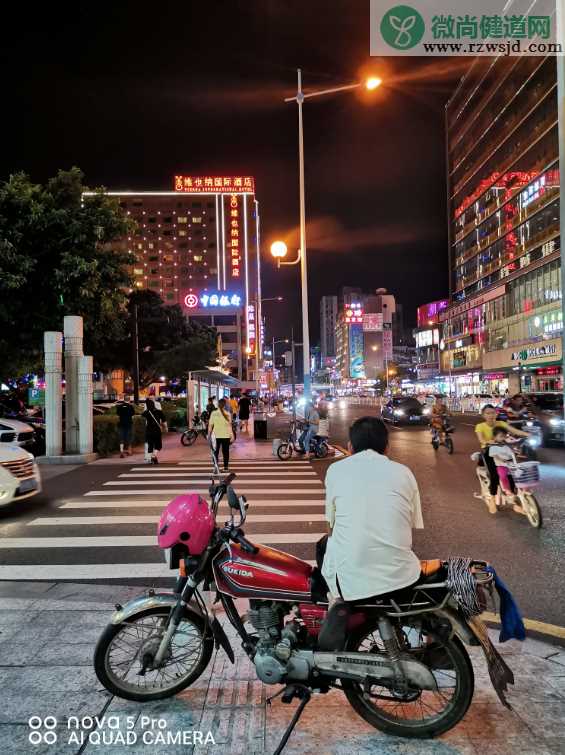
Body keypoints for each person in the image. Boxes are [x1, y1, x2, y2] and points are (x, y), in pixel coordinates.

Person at [321, 416, 424, 602]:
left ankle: (335, 605)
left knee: (324, 546)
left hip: (350, 583)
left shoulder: (336, 470)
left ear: (350, 447)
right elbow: (408, 524)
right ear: (387, 447)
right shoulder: (404, 472)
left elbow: (330, 527)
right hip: (402, 576)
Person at [475, 405, 529, 513]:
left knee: (512, 472)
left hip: (503, 451)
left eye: (492, 412)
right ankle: (492, 500)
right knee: (494, 475)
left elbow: (515, 431)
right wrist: (487, 441)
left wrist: (528, 434)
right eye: (488, 413)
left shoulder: (501, 424)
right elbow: (481, 439)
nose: (490, 415)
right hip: (489, 452)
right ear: (483, 415)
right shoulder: (480, 426)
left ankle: (514, 501)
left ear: (496, 413)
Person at [488, 426, 519, 498]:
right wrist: (501, 459)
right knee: (502, 475)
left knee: (519, 473)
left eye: (504, 436)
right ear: (494, 437)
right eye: (501, 436)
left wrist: (516, 453)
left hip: (511, 464)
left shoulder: (506, 446)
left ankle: (521, 488)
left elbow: (511, 453)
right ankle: (507, 489)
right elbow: (494, 455)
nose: (503, 438)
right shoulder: (493, 446)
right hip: (501, 465)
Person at [208, 398, 234, 471]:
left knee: (215, 452)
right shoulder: (228, 414)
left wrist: (209, 435)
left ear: (218, 405)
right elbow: (229, 426)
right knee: (226, 452)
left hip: (216, 436)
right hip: (226, 436)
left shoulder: (213, 413)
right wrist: (232, 435)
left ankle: (216, 467)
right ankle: (226, 468)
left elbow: (210, 425)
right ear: (225, 405)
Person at [142, 398, 165, 464]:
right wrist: (165, 428)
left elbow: (142, 416)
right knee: (158, 445)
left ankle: (149, 459)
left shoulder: (146, 412)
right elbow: (164, 420)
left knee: (150, 445)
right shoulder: (159, 411)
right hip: (157, 430)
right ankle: (154, 456)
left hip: (149, 430)